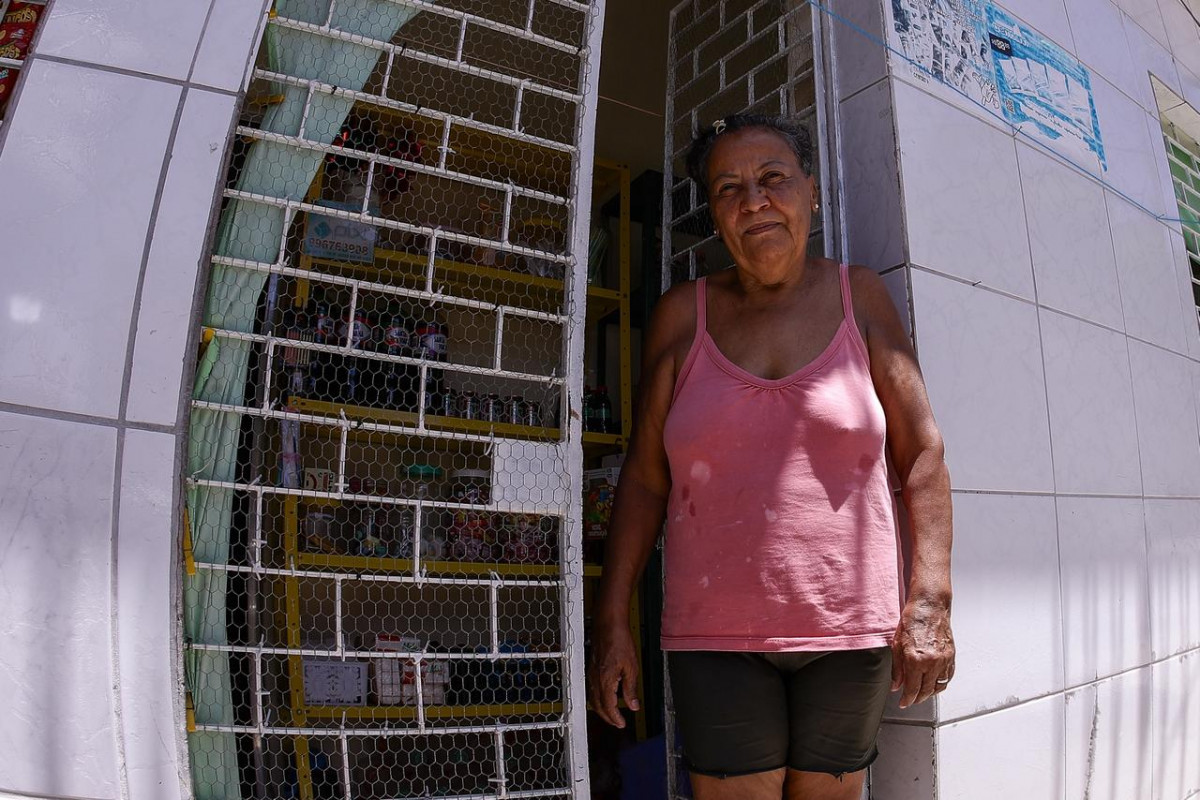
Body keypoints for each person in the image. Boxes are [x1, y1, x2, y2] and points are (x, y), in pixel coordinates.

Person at [588, 114, 955, 800]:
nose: (753, 200)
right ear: (715, 215)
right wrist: (611, 618)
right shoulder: (681, 315)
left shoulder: (860, 297)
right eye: (728, 188)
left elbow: (922, 455)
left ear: (811, 190)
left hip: (848, 626)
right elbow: (643, 479)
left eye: (773, 178)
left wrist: (930, 600)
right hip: (714, 631)